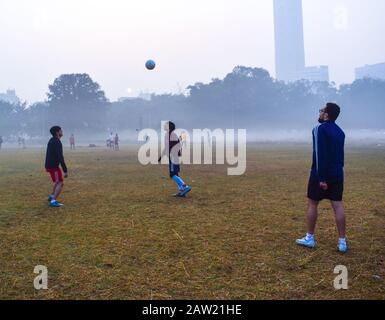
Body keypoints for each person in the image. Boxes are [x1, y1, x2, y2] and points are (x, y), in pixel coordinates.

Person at [296, 103, 348, 253]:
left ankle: (309, 238)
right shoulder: (340, 132)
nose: (319, 112)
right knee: (338, 205)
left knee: (312, 204)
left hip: (321, 174)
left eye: (321, 110)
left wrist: (321, 178)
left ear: (326, 114)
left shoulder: (319, 129)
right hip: (337, 173)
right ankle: (342, 242)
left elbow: (319, 155)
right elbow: (340, 156)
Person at [159, 121, 191, 197]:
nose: (164, 126)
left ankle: (185, 186)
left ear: (169, 126)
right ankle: (182, 192)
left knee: (172, 174)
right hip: (172, 156)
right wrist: (161, 156)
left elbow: (176, 144)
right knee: (175, 173)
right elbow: (169, 146)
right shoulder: (168, 134)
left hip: (173, 156)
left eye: (165, 125)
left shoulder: (171, 134)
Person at [45, 126, 68, 207]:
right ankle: (53, 201)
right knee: (60, 182)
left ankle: (51, 196)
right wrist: (65, 170)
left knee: (58, 181)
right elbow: (60, 157)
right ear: (57, 132)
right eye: (61, 130)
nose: (62, 132)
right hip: (53, 166)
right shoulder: (56, 142)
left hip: (50, 165)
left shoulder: (52, 140)